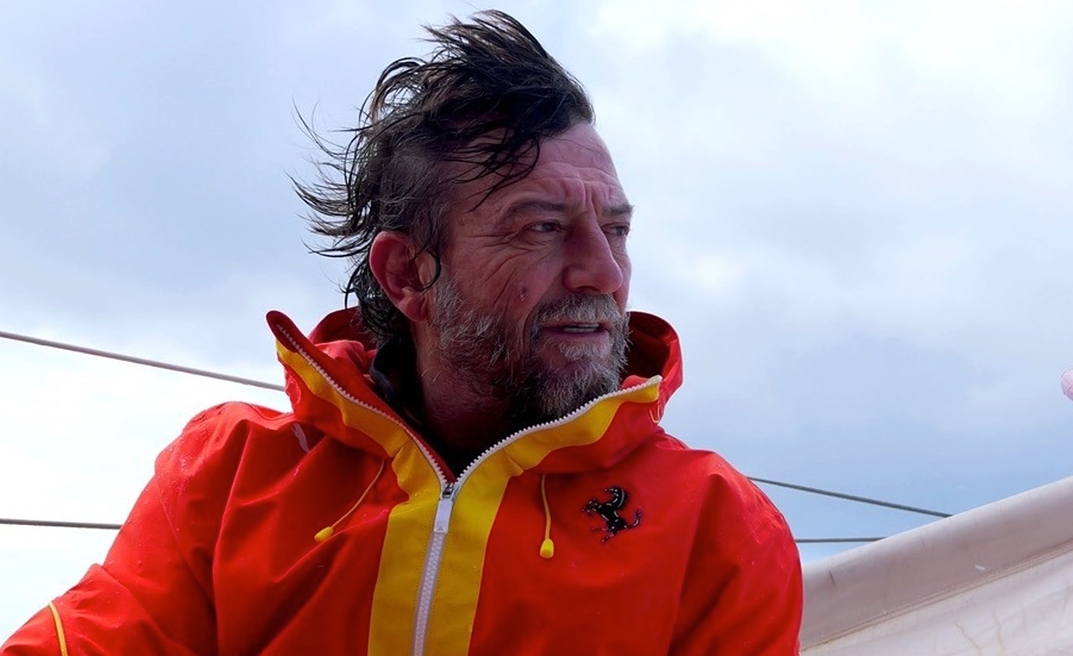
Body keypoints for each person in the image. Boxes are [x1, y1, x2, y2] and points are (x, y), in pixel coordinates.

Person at [2, 11, 802, 655]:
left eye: (616, 230)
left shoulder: (717, 529)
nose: (602, 271)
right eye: (541, 227)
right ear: (407, 275)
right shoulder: (230, 479)